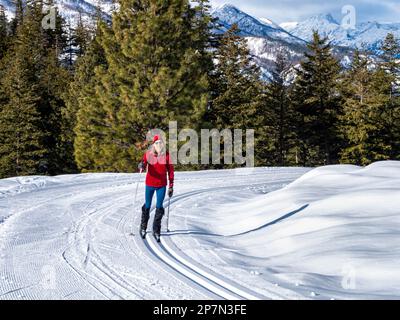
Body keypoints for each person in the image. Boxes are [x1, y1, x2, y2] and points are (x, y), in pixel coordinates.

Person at [138, 135, 174, 242]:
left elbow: (170, 171)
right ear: (153, 144)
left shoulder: (166, 155)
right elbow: (143, 164)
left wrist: (171, 186)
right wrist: (141, 165)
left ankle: (156, 229)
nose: (158, 145)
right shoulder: (148, 154)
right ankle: (143, 226)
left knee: (159, 207)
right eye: (156, 143)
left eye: (160, 143)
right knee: (147, 205)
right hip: (150, 183)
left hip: (161, 185)